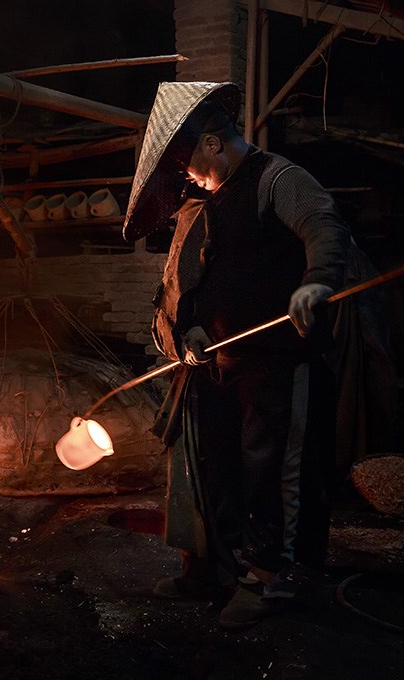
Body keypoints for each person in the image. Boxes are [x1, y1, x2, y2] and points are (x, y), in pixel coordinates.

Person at [122, 81, 351, 629]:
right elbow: (198, 284)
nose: (190, 179)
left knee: (271, 474)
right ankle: (214, 569)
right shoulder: (209, 204)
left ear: (214, 143)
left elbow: (324, 227)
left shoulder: (279, 180)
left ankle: (267, 580)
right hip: (219, 366)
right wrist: (192, 331)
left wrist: (316, 282)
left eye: (192, 166)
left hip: (276, 362)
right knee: (214, 470)